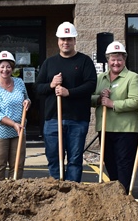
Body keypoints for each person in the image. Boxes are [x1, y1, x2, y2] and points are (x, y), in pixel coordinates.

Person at [35, 21, 97, 182]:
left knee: (75, 160)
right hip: (53, 119)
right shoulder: (49, 63)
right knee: (54, 158)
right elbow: (38, 88)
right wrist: (51, 85)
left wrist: (68, 92)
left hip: (77, 119)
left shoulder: (84, 61)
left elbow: (91, 85)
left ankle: (72, 193)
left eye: (69, 39)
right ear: (58, 40)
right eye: (63, 39)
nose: (66, 42)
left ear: (75, 40)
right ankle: (57, 191)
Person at [91, 41, 138, 190]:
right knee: (109, 162)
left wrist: (112, 104)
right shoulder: (101, 78)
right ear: (107, 60)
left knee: (124, 163)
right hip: (106, 128)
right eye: (112, 59)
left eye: (119, 59)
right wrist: (99, 99)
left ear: (124, 60)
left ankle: (124, 194)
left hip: (125, 130)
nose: (116, 63)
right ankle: (116, 194)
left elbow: (136, 101)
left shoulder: (133, 77)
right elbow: (91, 98)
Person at [0, 51, 31, 182]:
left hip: (18, 130)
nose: (5, 70)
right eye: (2, 67)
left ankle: (14, 194)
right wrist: (13, 124)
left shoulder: (19, 82)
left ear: (12, 68)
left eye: (8, 66)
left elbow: (26, 98)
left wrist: (27, 102)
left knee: (17, 165)